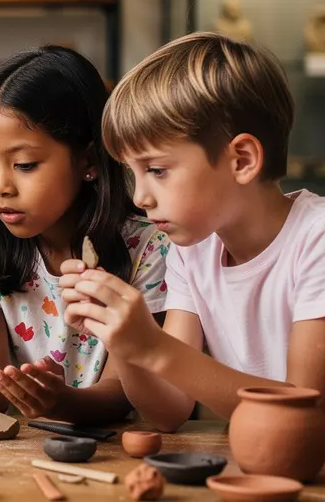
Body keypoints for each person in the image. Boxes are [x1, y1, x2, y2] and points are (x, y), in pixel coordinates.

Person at [61, 32, 325, 431]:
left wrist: (155, 347)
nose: (141, 197)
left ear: (242, 159)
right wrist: (122, 339)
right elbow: (169, 411)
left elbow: (304, 416)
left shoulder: (316, 239)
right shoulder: (191, 250)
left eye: (157, 170)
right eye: (133, 173)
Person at [0, 46, 169, 424]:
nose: (1, 186)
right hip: (23, 453)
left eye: (25, 165)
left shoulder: (148, 249)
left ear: (89, 161)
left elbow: (124, 394)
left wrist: (61, 402)